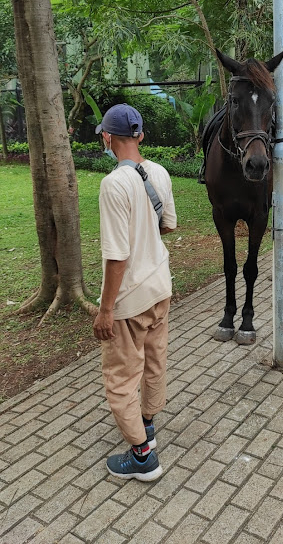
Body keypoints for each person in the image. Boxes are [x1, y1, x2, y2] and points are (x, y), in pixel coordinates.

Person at [93, 103, 177, 482]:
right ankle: (148, 426)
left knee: (121, 377)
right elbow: (169, 226)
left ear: (109, 138)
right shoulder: (158, 172)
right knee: (155, 362)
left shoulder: (113, 184)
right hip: (161, 286)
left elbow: (116, 256)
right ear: (140, 135)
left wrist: (105, 309)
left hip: (129, 299)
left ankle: (142, 457)